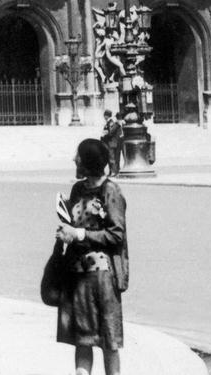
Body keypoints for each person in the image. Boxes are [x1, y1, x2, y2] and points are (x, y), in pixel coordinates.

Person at [56, 138, 127, 375]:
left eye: (77, 155)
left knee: (109, 341)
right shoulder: (78, 189)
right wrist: (66, 231)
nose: (74, 159)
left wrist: (80, 233)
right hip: (78, 275)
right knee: (82, 340)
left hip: (103, 277)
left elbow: (116, 234)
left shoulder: (110, 190)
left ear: (87, 161)